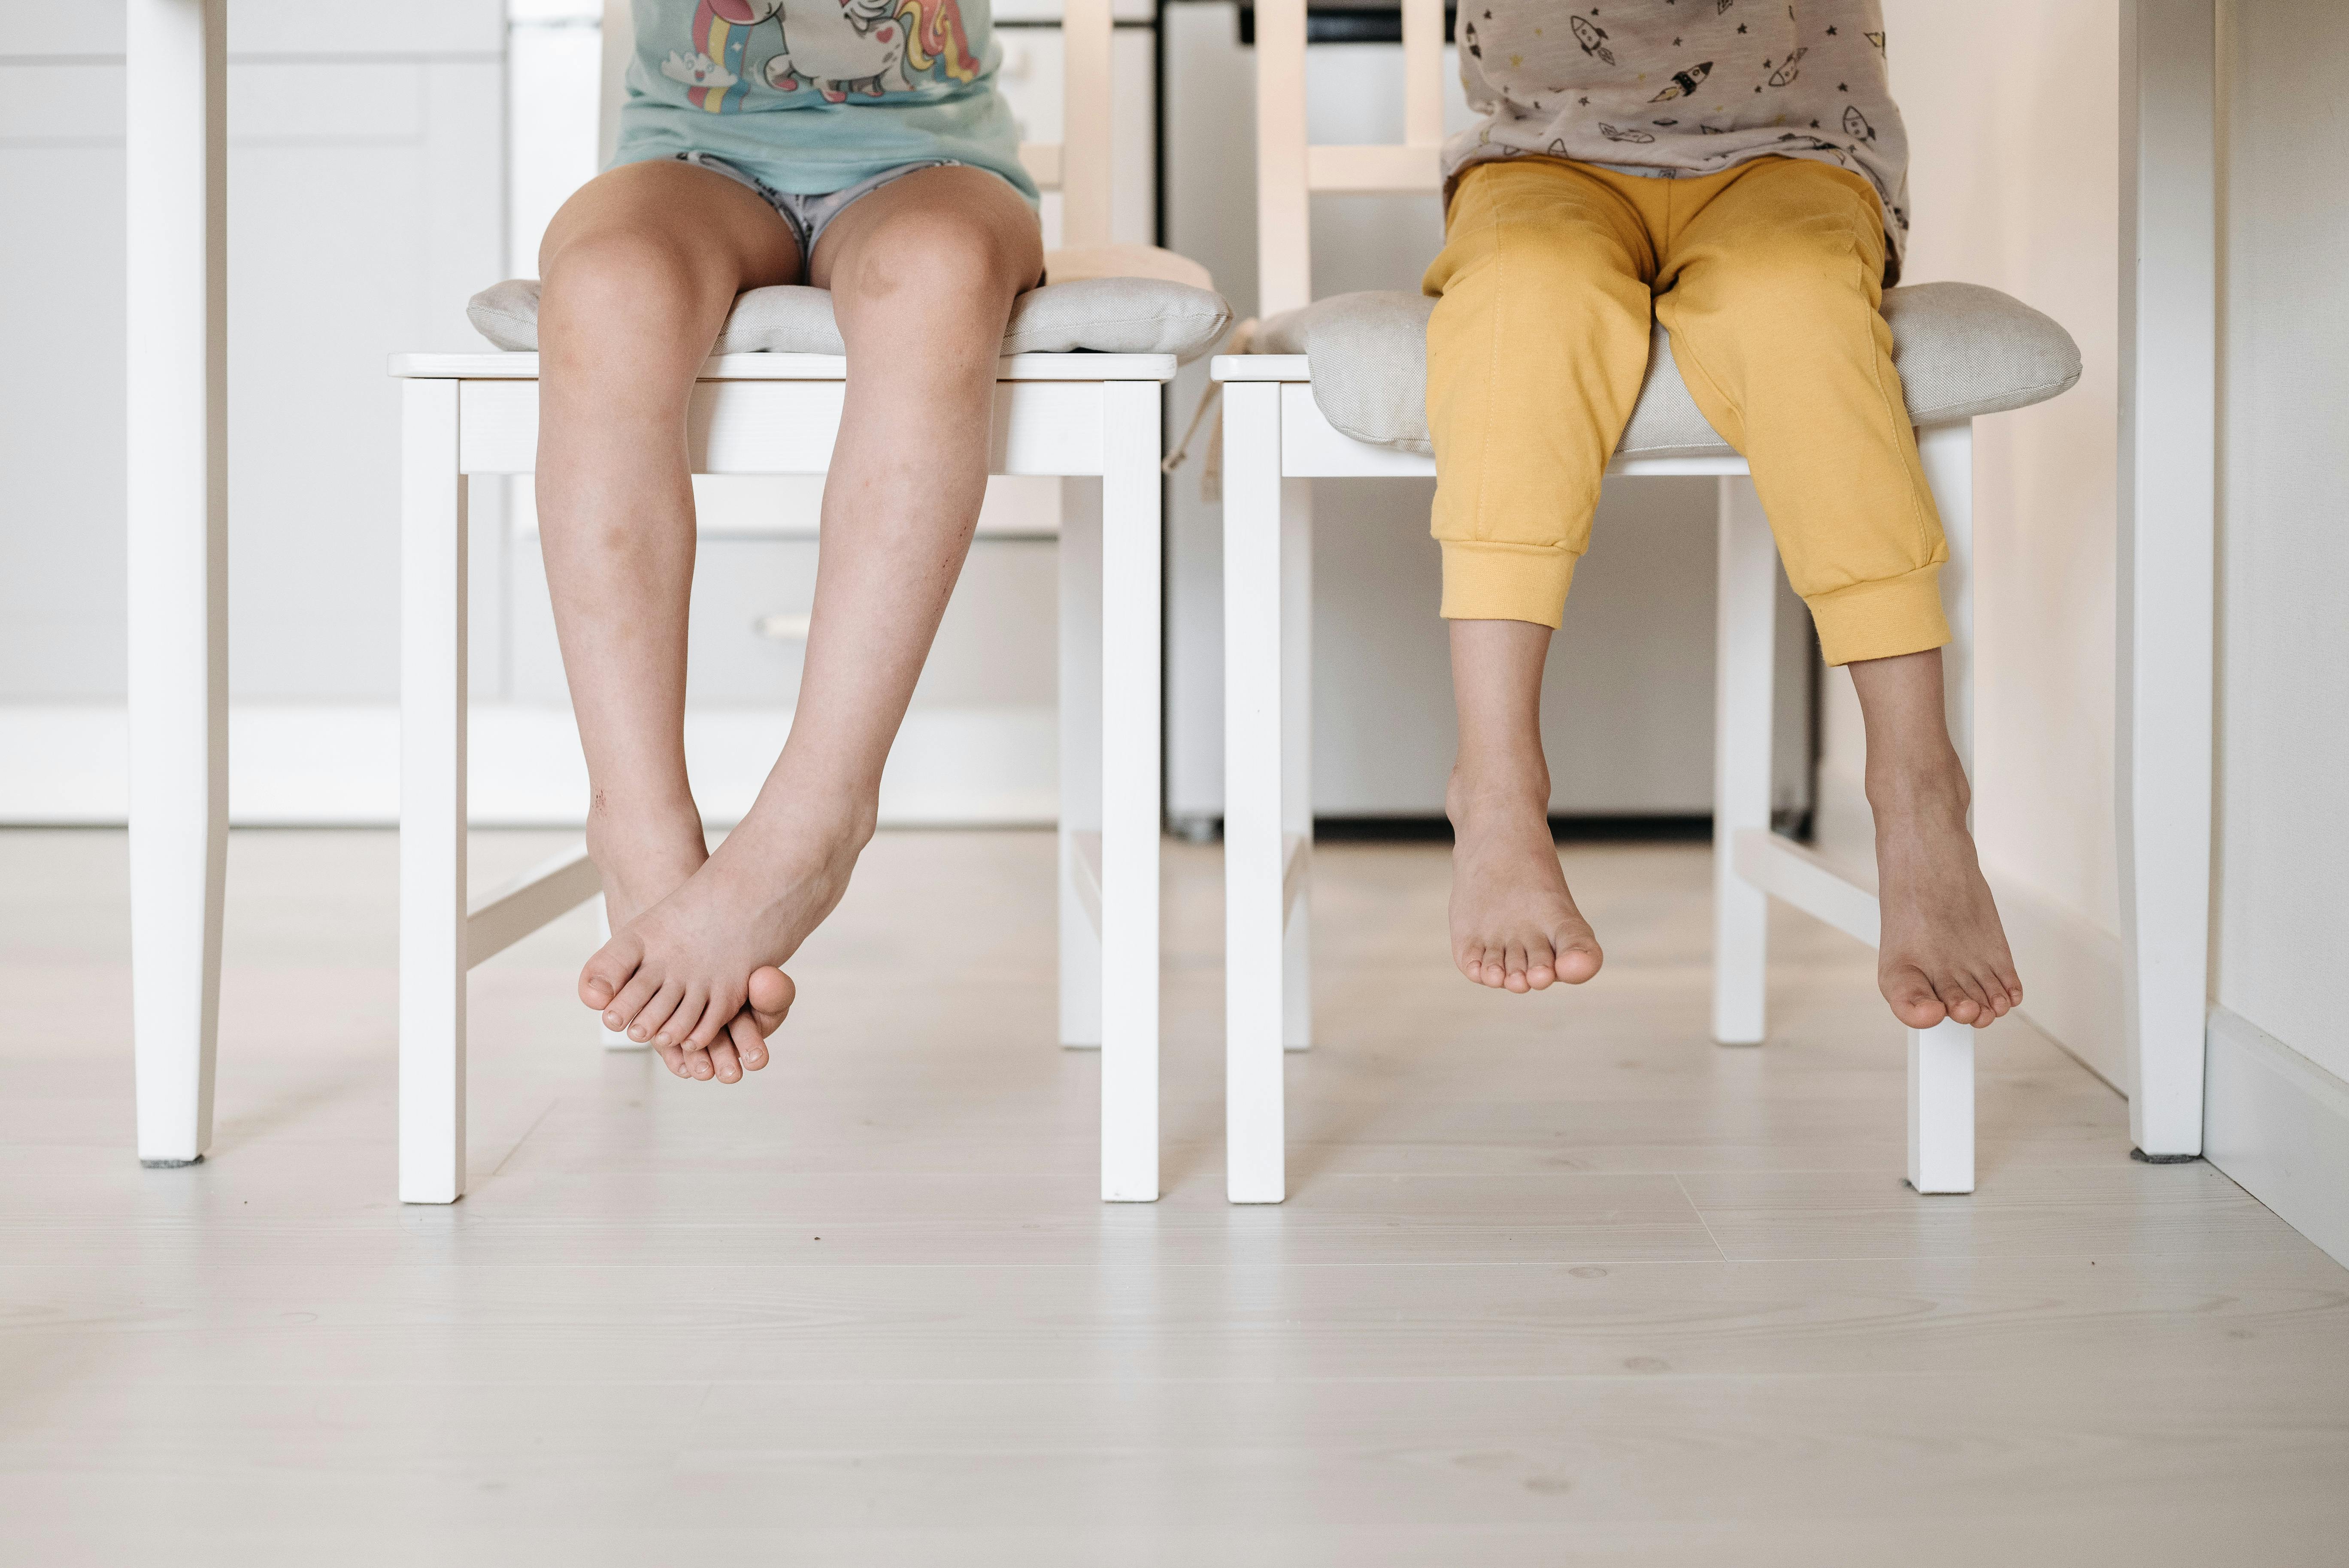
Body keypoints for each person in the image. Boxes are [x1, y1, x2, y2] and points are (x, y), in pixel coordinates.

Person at [1426, 1, 2022, 1031]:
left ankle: (1921, 789)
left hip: (1793, 153)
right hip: (1543, 156)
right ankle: (1495, 783)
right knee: (1523, 302)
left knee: (1797, 312)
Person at [537, 0, 1045, 1084]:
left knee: (940, 269)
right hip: (691, 156)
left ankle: (815, 820)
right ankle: (642, 828)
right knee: (604, 283)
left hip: (933, 164)